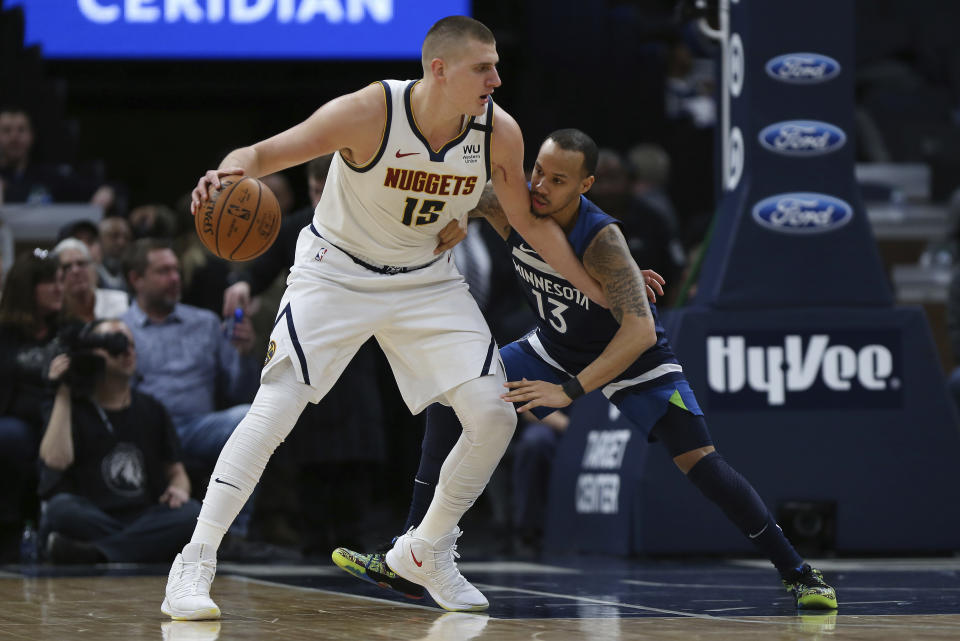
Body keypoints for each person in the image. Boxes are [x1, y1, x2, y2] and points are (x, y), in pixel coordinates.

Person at [162, 15, 606, 621]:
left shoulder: (498, 131)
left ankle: (426, 549)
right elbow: (265, 152)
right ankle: (195, 559)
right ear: (439, 69)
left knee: (494, 414)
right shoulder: (371, 112)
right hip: (336, 272)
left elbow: (526, 223)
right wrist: (228, 172)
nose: (497, 78)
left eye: (498, 65)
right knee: (274, 410)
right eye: (483, 67)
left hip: (425, 280)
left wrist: (592, 286)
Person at [331, 129, 838, 611]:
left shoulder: (603, 240)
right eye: (538, 172)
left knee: (702, 465)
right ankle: (411, 552)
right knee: (449, 397)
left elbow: (638, 332)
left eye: (558, 180)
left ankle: (798, 573)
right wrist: (432, 209)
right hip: (555, 343)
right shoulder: (513, 203)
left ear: (586, 186)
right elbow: (451, 193)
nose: (540, 187)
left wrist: (568, 391)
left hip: (632, 356)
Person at [38, 319, 201, 564]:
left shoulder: (152, 408)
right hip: (93, 515)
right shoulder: (72, 405)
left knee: (192, 513)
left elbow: (176, 472)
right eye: (115, 343)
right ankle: (139, 549)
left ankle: (98, 553)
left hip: (142, 515)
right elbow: (56, 461)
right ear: (90, 353)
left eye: (132, 345)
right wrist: (63, 388)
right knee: (60, 509)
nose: (126, 351)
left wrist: (179, 489)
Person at [0, 249, 63, 561]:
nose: (58, 288)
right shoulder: (5, 334)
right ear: (27, 288)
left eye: (59, 280)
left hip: (63, 421)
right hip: (18, 426)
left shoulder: (66, 329)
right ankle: (13, 530)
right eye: (49, 282)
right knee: (9, 435)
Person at [51, 238, 129, 323]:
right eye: (67, 267)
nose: (75, 271)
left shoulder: (122, 302)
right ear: (57, 275)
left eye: (81, 263)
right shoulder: (55, 314)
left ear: (93, 268)